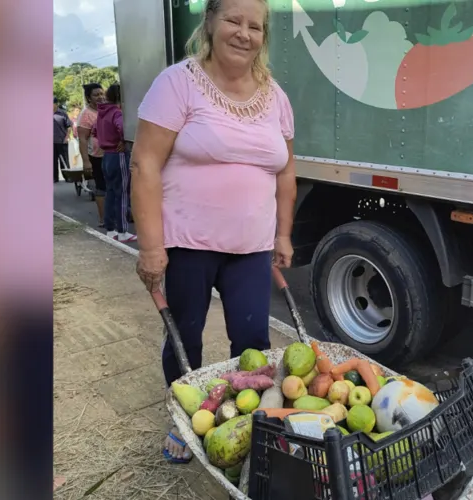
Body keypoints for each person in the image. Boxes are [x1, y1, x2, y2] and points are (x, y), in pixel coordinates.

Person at [130, 0, 296, 463]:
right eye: (233, 21)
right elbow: (144, 163)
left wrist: (283, 234)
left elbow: (286, 173)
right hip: (187, 244)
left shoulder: (275, 96)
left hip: (252, 248)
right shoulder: (177, 83)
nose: (244, 33)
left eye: (255, 26)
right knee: (186, 337)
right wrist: (150, 247)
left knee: (253, 345)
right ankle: (187, 421)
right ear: (210, 22)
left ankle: (246, 426)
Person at [94, 83, 137, 242]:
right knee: (123, 194)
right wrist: (122, 140)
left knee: (110, 193)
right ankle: (123, 231)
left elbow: (95, 131)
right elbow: (123, 128)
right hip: (118, 156)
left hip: (106, 156)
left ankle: (110, 229)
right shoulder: (117, 113)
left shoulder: (102, 112)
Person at [76, 83, 107, 227]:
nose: (100, 97)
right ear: (89, 98)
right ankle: (103, 219)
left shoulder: (107, 109)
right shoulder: (86, 115)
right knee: (101, 187)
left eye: (102, 93)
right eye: (96, 95)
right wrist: (86, 161)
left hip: (111, 154)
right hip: (96, 156)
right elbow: (82, 139)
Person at [53, 96, 72, 182]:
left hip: (62, 141)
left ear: (56, 104)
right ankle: (54, 178)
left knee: (64, 160)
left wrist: (67, 137)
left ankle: (67, 177)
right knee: (52, 161)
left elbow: (68, 127)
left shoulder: (63, 113)